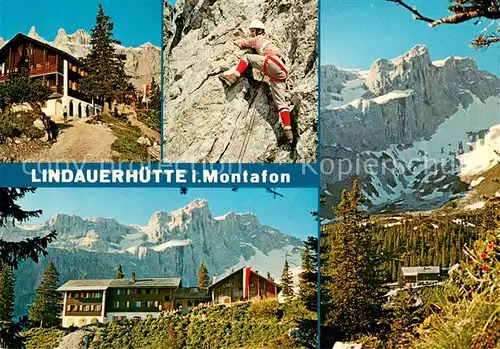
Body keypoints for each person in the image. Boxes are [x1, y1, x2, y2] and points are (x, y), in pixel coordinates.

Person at [219, 20, 293, 143]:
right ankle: (288, 132)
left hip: (271, 62)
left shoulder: (258, 39)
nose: (252, 34)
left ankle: (233, 77)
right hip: (282, 71)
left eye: (253, 31)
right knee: (281, 103)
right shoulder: (270, 42)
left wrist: (233, 42)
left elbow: (243, 43)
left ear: (259, 31)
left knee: (247, 57)